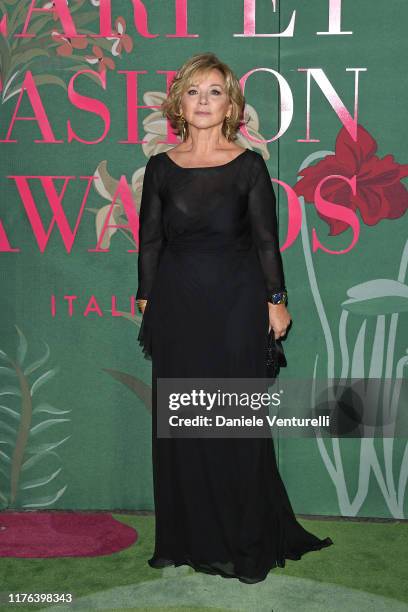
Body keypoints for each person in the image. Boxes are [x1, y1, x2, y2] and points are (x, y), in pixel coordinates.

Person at [135, 52, 333, 584]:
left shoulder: (248, 165)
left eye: (215, 92)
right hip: (178, 306)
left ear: (230, 105)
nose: (203, 101)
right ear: (180, 102)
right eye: (194, 91)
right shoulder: (160, 167)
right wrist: (147, 300)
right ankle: (187, 538)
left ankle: (245, 543)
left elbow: (267, 240)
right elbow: (150, 240)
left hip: (237, 304)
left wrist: (277, 299)